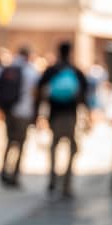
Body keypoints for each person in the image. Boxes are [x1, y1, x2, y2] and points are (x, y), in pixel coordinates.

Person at [35, 41, 88, 198]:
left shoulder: (51, 70)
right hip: (70, 115)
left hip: (55, 115)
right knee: (72, 147)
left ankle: (52, 178)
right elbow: (83, 95)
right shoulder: (75, 71)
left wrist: (38, 114)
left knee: (54, 146)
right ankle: (67, 183)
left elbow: (40, 91)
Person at [0, 46, 40, 187]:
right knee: (20, 144)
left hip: (11, 110)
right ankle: (14, 174)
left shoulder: (10, 68)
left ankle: (4, 170)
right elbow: (36, 92)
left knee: (9, 141)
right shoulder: (31, 71)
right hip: (24, 112)